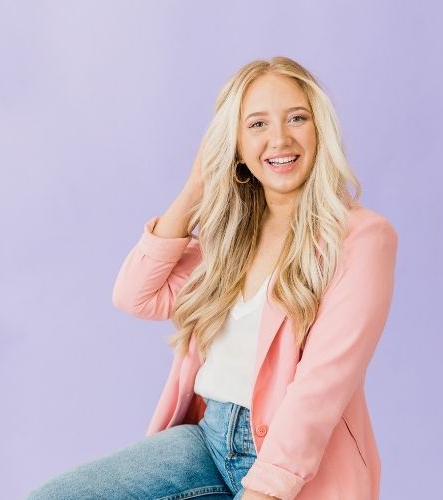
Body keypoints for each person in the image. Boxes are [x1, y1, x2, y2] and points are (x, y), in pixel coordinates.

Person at [27, 56, 398, 500]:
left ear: (320, 129)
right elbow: (134, 294)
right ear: (235, 145)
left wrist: (267, 489)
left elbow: (322, 386)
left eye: (297, 118)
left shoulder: (361, 238)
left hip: (293, 463)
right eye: (257, 124)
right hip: (207, 441)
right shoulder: (228, 239)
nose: (280, 138)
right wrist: (196, 186)